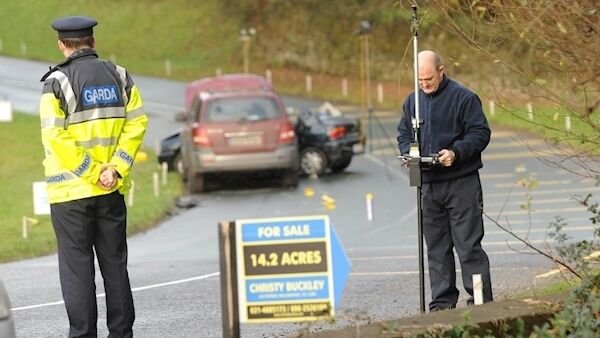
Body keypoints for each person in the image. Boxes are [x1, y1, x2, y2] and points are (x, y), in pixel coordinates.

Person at [39, 16, 147, 337]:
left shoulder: (57, 83)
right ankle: (122, 333)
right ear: (93, 42)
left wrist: (90, 171)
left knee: (77, 271)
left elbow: (55, 139)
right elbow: (137, 123)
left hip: (70, 195)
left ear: (62, 45)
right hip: (111, 190)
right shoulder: (121, 76)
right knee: (115, 265)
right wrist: (115, 167)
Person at [396, 50, 493, 311]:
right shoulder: (412, 102)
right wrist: (408, 153)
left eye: (429, 78)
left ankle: (481, 301)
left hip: (461, 182)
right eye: (420, 80)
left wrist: (456, 152)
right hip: (428, 184)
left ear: (442, 70)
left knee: (468, 245)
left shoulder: (464, 98)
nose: (425, 84)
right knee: (436, 248)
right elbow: (404, 134)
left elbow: (480, 133)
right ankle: (442, 303)